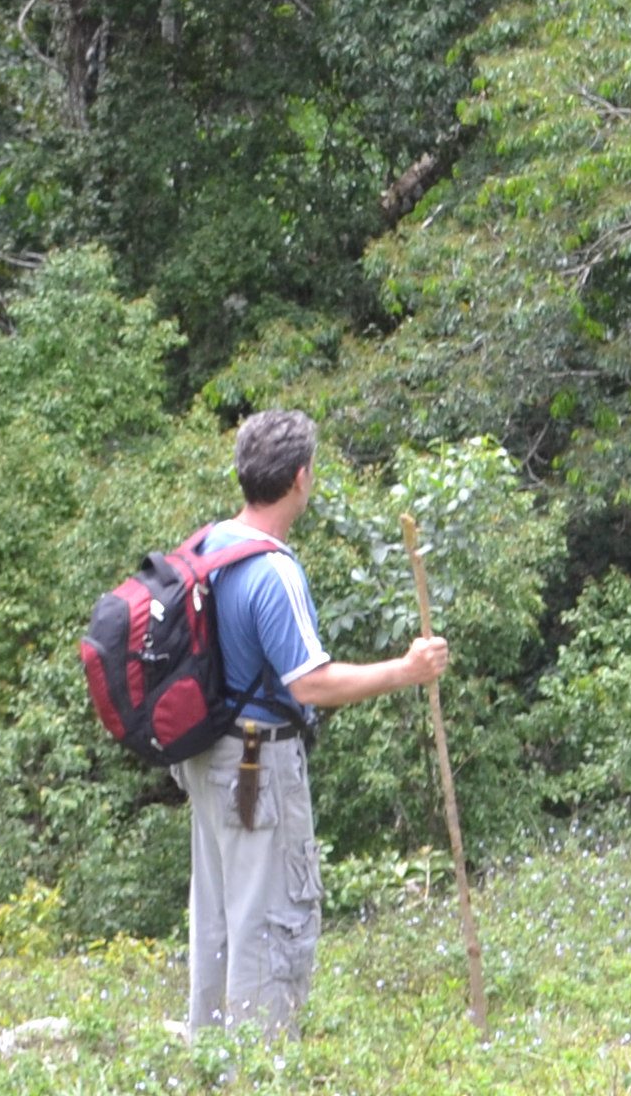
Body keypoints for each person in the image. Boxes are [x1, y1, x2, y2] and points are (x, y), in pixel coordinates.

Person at [174, 408, 449, 1039]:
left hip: (205, 758)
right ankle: (263, 1065)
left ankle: (212, 1059)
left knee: (218, 916)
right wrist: (406, 670)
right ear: (301, 477)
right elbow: (311, 683)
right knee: (272, 918)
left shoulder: (208, 544)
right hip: (256, 768)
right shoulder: (274, 569)